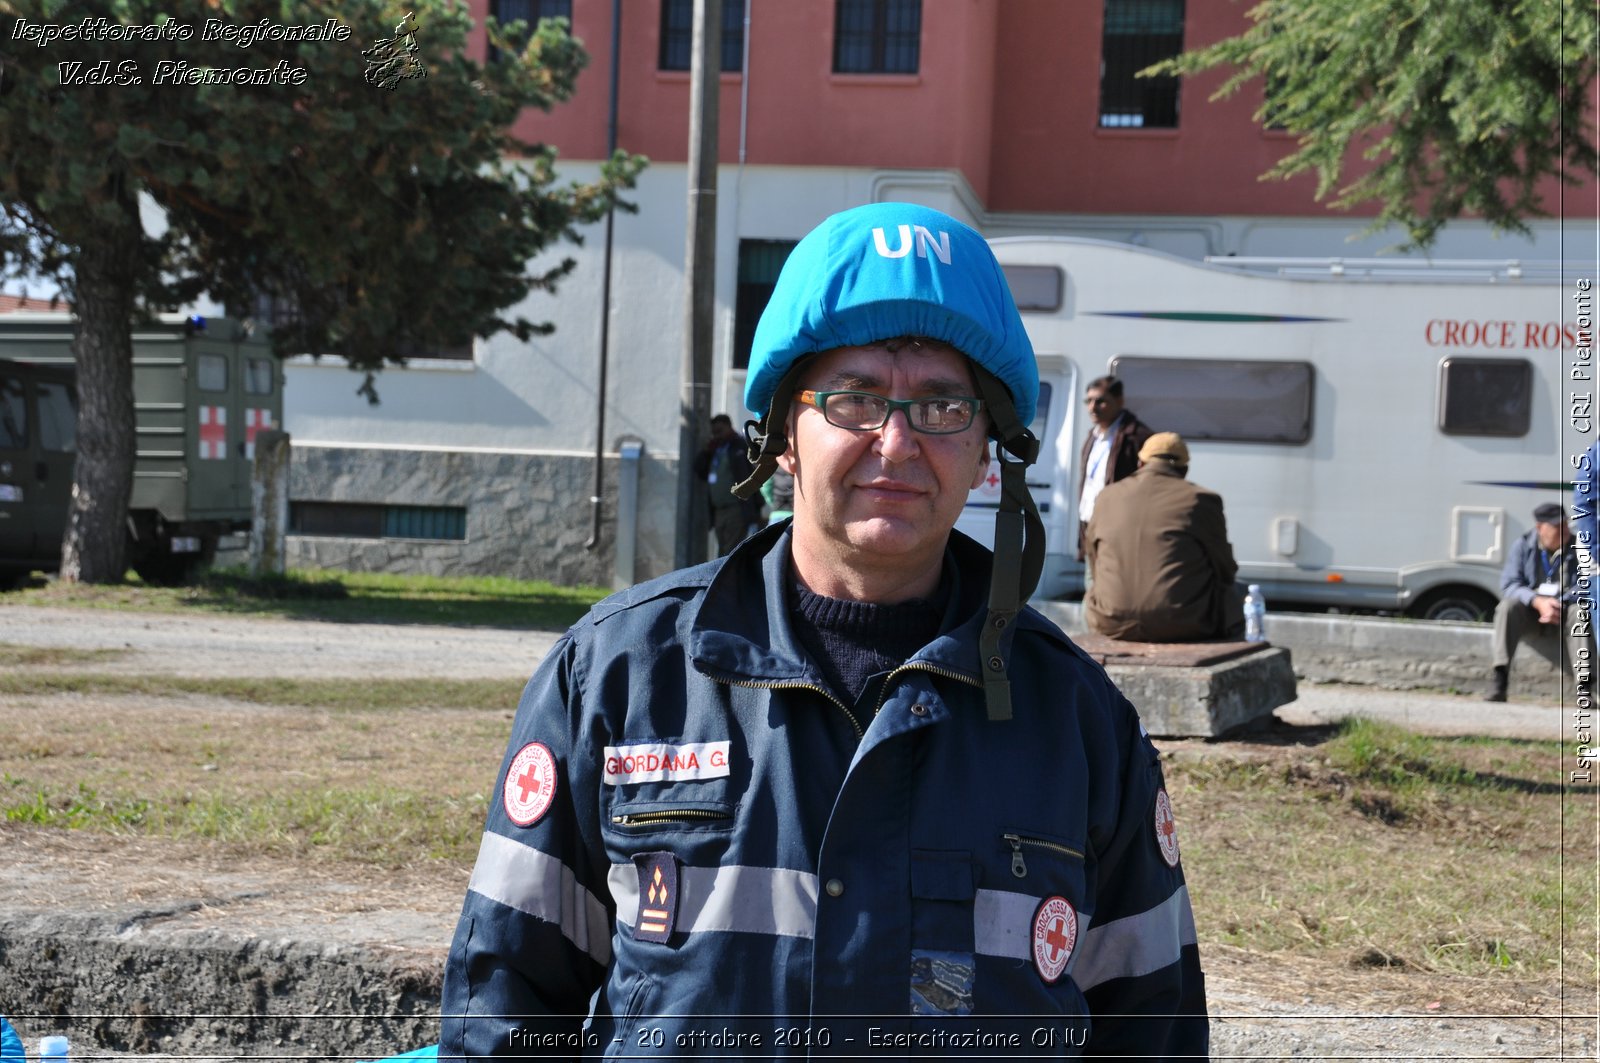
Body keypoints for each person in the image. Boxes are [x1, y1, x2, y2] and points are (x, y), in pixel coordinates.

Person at [440, 202, 1208, 1060]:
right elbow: (504, 1008)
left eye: (943, 405)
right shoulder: (616, 678)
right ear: (783, 437)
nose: (898, 440)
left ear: (989, 448)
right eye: (854, 399)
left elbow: (1156, 1032)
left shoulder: (1081, 723)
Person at [1084, 432, 1244, 642]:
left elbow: (1094, 560)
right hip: (1184, 623)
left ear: (1140, 463)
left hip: (1110, 620)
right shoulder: (1201, 500)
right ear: (1184, 469)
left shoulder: (1106, 496)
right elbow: (1225, 568)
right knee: (1239, 591)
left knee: (1093, 586)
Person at [1488, 501, 1593, 702]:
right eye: (1556, 526)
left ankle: (1586, 687)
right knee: (1506, 608)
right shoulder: (1522, 545)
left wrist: (1559, 601)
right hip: (1532, 612)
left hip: (1565, 609)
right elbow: (1510, 584)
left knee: (1581, 611)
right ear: (1539, 527)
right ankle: (1500, 679)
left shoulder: (1579, 546)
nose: (1564, 530)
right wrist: (1537, 601)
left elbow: (1588, 582)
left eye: (1565, 524)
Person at [1076, 375, 1153, 564]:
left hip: (1119, 529)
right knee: (1093, 587)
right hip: (1090, 524)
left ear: (1119, 401)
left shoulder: (1138, 437)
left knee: (1112, 587)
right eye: (1089, 401)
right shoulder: (1093, 436)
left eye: (1100, 401)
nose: (1092, 407)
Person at [693, 412, 761, 555]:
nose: (717, 435)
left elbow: (751, 472)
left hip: (736, 508)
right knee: (722, 550)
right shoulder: (715, 449)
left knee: (731, 551)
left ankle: (729, 577)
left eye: (720, 431)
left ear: (729, 427)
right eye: (714, 432)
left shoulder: (740, 445)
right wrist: (706, 451)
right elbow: (699, 470)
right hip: (719, 510)